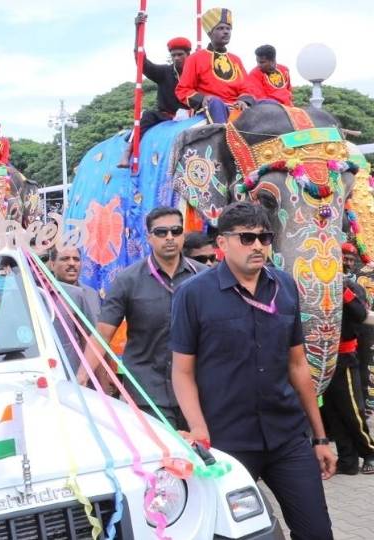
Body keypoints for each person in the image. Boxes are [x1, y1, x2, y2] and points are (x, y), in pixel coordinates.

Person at [170, 201, 335, 540]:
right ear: (222, 242)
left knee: (317, 532)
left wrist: (320, 437)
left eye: (264, 237)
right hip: (226, 440)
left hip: (287, 436)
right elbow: (182, 372)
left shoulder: (285, 287)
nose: (258, 245)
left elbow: (297, 365)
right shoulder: (193, 294)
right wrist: (198, 428)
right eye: (247, 238)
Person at [84, 206, 202, 428]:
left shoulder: (203, 277)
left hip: (196, 391)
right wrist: (81, 379)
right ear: (149, 237)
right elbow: (102, 335)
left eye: (176, 231)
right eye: (161, 232)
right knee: (161, 449)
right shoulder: (128, 280)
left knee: (201, 449)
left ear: (183, 235)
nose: (169, 237)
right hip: (147, 393)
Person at [320, 243, 374, 474]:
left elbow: (361, 315)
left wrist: (342, 291)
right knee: (333, 411)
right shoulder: (312, 285)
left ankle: (370, 452)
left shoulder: (350, 286)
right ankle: (347, 460)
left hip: (344, 356)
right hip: (322, 358)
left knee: (352, 411)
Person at [118, 13, 192, 167]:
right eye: (173, 55)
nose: (177, 58)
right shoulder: (164, 72)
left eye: (180, 54)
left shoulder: (196, 72)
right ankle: (127, 152)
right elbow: (141, 61)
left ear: (188, 55)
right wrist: (138, 30)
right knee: (146, 115)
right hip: (166, 116)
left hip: (191, 115)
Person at [175, 7, 255, 124]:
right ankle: (222, 134)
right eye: (220, 28)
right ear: (210, 33)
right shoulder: (195, 58)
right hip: (209, 107)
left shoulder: (236, 59)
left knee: (269, 104)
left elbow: (247, 88)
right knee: (216, 102)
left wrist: (244, 100)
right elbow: (183, 89)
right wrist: (202, 99)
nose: (226, 31)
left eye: (228, 28)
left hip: (236, 107)